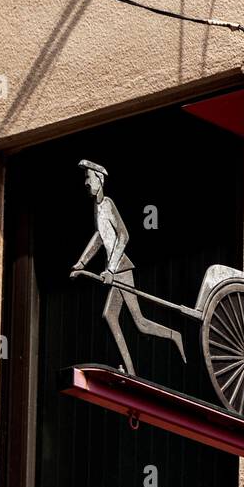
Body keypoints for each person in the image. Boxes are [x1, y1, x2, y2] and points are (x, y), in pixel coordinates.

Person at [69, 159, 185, 374]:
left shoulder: (109, 204)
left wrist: (111, 270)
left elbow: (123, 235)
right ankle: (132, 369)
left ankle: (172, 338)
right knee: (121, 319)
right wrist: (81, 263)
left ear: (100, 180)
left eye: (89, 178)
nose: (86, 183)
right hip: (115, 270)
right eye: (85, 179)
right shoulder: (98, 208)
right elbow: (99, 238)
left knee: (134, 322)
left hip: (121, 269)